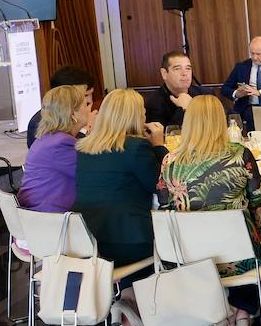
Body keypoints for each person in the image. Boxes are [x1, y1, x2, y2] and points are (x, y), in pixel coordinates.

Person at [156, 95, 261, 326]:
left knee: (233, 236)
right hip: (239, 259)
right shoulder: (239, 154)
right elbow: (259, 204)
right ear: (221, 122)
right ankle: (242, 311)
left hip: (188, 257)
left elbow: (165, 205)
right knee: (255, 235)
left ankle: (222, 311)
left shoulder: (169, 161)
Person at [74, 88, 166, 267]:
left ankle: (127, 293)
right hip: (129, 241)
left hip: (89, 240)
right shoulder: (136, 147)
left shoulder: (84, 148)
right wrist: (159, 146)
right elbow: (161, 186)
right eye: (143, 113)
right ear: (135, 117)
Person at [18, 85, 91, 212]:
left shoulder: (48, 138)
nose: (90, 109)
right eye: (86, 105)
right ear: (73, 113)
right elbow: (91, 175)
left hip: (36, 215)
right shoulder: (61, 144)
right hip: (50, 220)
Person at [27, 65, 96, 147]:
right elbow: (69, 153)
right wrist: (86, 128)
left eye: (91, 94)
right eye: (85, 96)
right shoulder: (41, 122)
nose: (90, 101)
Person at [221, 36, 261, 121]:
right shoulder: (241, 67)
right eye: (252, 53)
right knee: (250, 115)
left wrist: (259, 93)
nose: (254, 57)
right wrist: (237, 93)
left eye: (258, 54)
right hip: (249, 107)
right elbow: (225, 88)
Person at [143, 51, 208, 129]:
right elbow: (164, 136)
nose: (184, 73)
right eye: (177, 69)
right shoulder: (153, 102)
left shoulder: (206, 94)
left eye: (188, 68)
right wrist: (183, 109)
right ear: (164, 74)